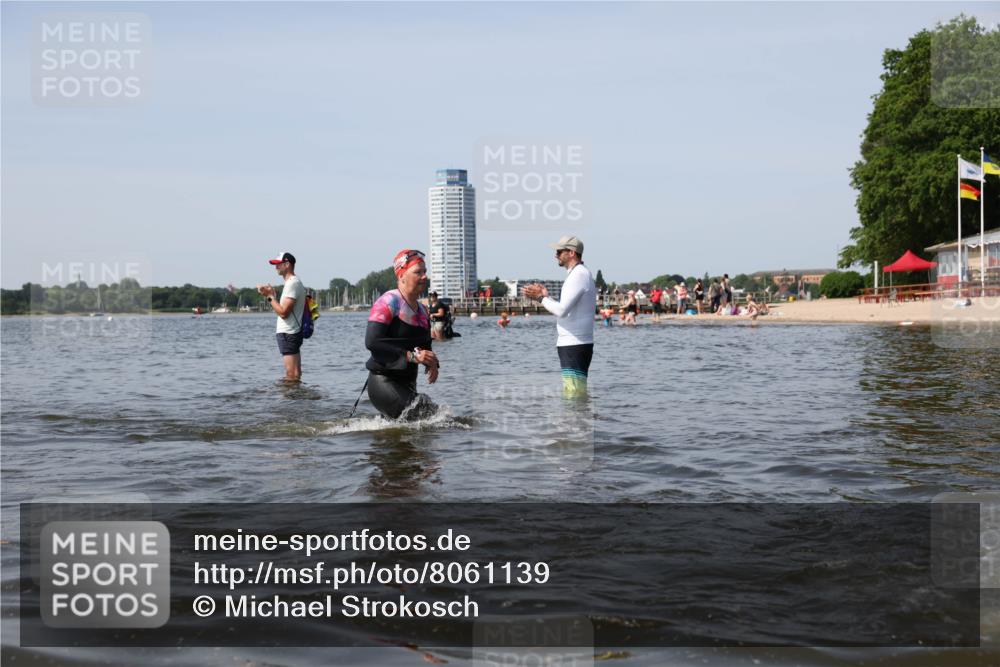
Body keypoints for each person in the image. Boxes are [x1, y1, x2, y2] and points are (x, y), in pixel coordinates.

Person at [364, 249, 440, 420]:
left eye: (424, 272)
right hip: (383, 381)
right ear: (401, 276)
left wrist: (432, 363)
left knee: (406, 437)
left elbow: (425, 346)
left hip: (408, 382)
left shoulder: (422, 310)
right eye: (417, 272)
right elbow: (372, 341)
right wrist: (412, 356)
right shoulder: (388, 302)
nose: (424, 276)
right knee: (428, 414)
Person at [522, 236, 597, 396]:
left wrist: (541, 298)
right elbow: (566, 309)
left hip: (574, 343)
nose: (555, 255)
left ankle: (576, 420)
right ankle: (576, 419)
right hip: (574, 343)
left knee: (574, 393)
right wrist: (546, 296)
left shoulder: (578, 275)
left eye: (559, 251)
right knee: (574, 392)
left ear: (571, 253)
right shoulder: (578, 274)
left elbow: (561, 311)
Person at [257, 251, 305, 382]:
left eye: (278, 264)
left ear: (287, 264)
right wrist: (272, 296)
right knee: (295, 373)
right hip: (291, 332)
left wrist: (269, 297)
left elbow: (284, 313)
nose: (276, 267)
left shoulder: (292, 283)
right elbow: (283, 310)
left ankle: (290, 400)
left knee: (291, 374)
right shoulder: (292, 283)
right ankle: (296, 400)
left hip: (289, 333)